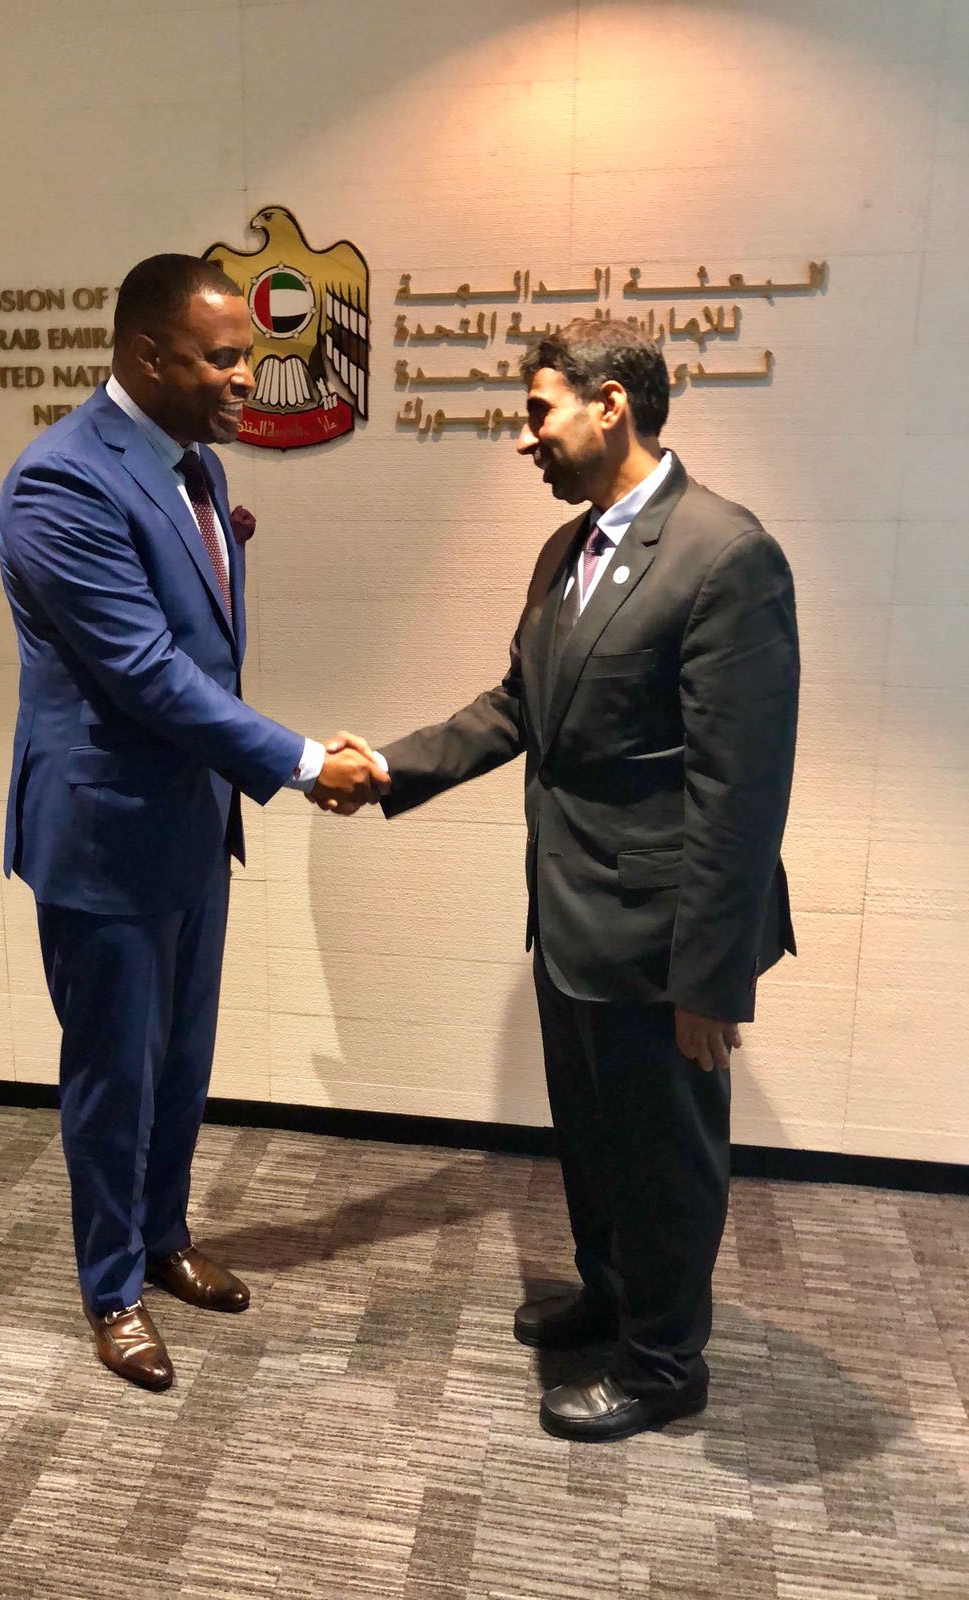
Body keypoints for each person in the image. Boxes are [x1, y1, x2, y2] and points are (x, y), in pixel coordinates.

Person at [330, 320, 799, 1441]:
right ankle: (612, 1297)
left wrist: (710, 981)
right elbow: (516, 708)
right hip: (571, 918)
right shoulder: (566, 550)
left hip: (663, 937)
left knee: (666, 1156)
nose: (525, 436)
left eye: (539, 410)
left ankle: (664, 1364)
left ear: (611, 406)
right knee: (592, 1139)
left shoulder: (727, 554)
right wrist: (391, 767)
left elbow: (741, 792)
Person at [0, 254, 387, 1391]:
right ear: (146, 356)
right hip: (106, 836)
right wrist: (304, 763)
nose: (245, 378)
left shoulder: (197, 467)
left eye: (247, 356)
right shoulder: (60, 482)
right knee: (112, 1077)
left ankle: (162, 1235)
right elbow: (147, 671)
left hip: (194, 823)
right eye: (222, 358)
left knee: (180, 1062)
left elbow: (201, 653)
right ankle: (111, 1286)